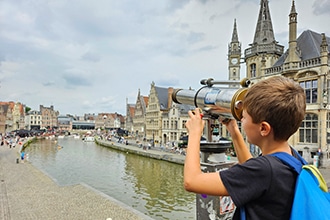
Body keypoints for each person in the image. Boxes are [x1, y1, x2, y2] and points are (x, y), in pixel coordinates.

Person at [184, 76, 306, 220]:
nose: (241, 120)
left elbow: (191, 181)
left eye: (245, 117)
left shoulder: (264, 170)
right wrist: (234, 132)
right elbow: (252, 171)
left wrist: (194, 133)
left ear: (263, 128)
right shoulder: (289, 157)